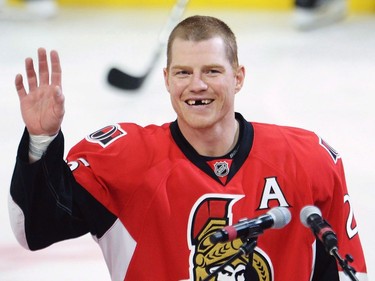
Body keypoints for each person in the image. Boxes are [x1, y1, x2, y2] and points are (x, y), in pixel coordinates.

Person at [8, 15, 367, 281]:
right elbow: (34, 229)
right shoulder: (125, 162)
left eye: (211, 71)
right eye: (183, 73)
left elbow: (344, 271)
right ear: (166, 79)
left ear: (238, 77)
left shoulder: (307, 160)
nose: (196, 85)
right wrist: (42, 140)